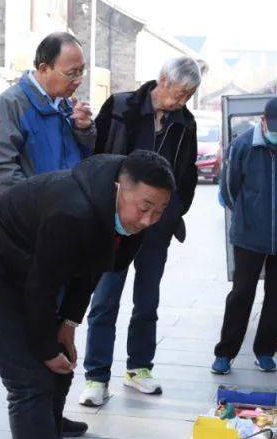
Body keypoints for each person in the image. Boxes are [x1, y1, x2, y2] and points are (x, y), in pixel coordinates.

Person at [0, 150, 175, 439]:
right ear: (120, 188)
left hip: (27, 269)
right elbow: (42, 286)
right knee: (29, 380)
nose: (148, 219)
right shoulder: (72, 212)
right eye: (144, 207)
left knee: (60, 367)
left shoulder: (123, 215)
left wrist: (68, 324)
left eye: (159, 210)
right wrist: (43, 345)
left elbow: (89, 269)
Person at [79, 56, 201, 406]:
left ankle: (139, 369)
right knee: (104, 299)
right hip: (115, 223)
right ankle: (96, 376)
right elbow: (95, 154)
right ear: (162, 80)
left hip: (156, 226)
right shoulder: (121, 106)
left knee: (147, 299)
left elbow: (187, 172)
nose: (181, 102)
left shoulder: (185, 123)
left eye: (188, 96)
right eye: (179, 94)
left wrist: (175, 209)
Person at [211, 95, 277, 375]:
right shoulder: (242, 146)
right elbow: (229, 190)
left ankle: (265, 351)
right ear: (263, 121)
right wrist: (248, 215)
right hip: (249, 235)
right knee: (241, 294)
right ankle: (225, 353)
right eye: (276, 129)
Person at [0, 31, 95, 196]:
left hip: (70, 209)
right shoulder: (10, 104)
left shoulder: (67, 104)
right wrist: (34, 205)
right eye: (71, 73)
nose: (78, 80)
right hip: (35, 214)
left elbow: (84, 159)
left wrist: (84, 129)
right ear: (44, 68)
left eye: (81, 71)